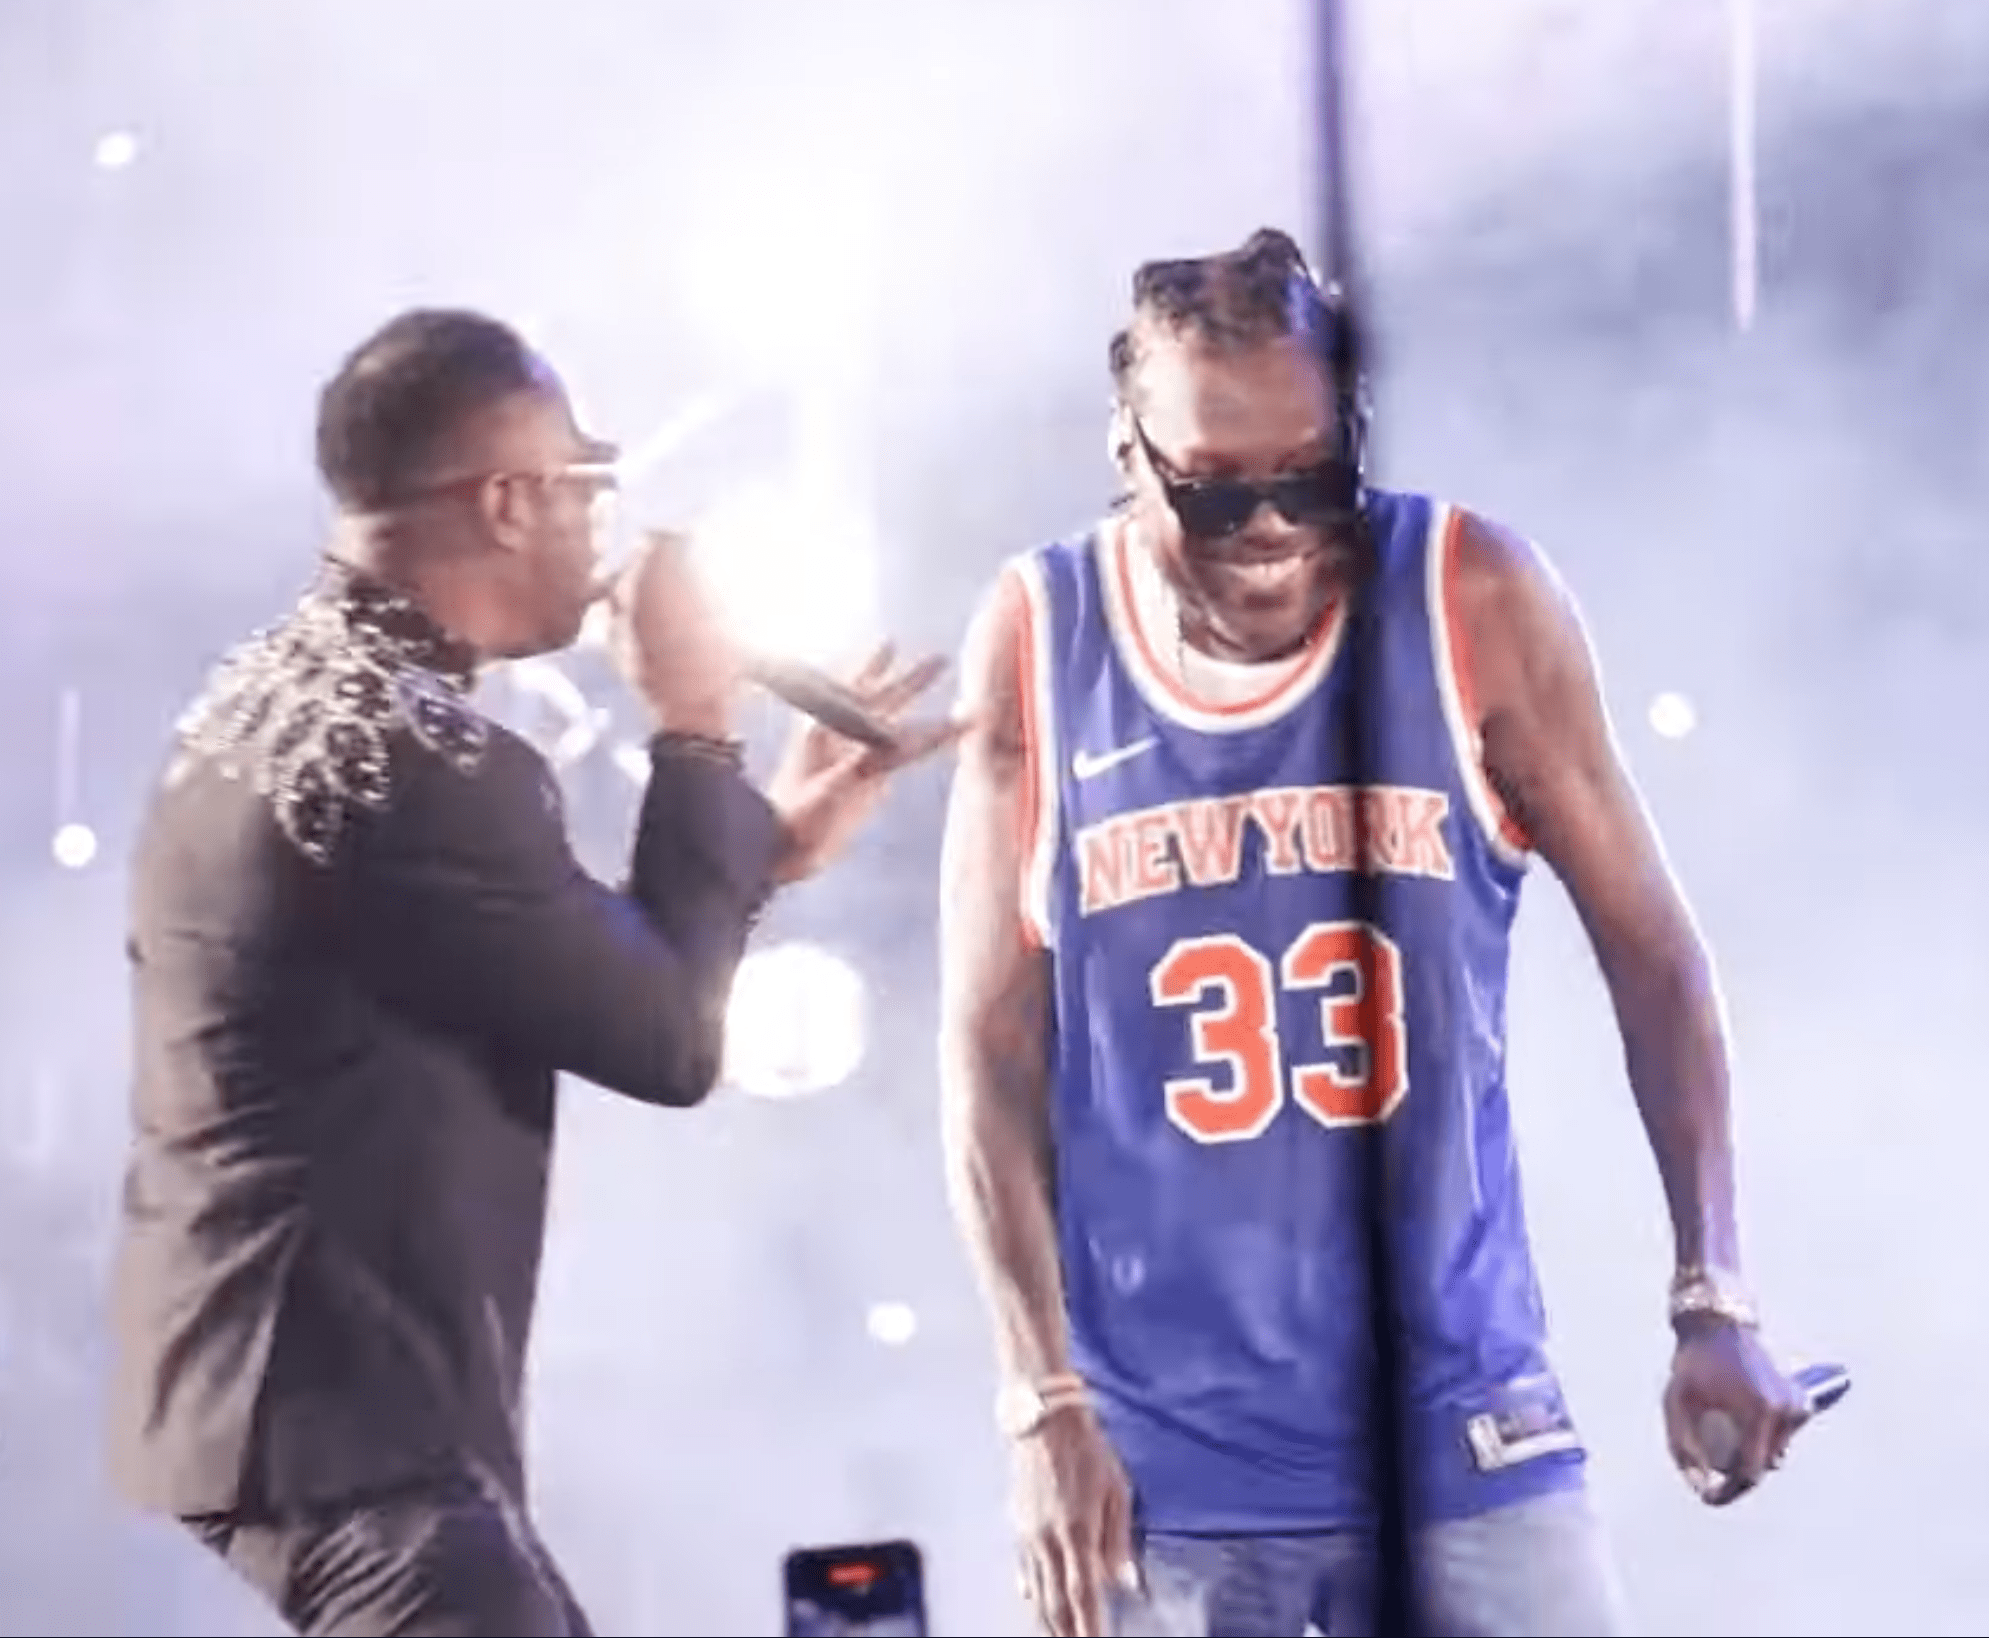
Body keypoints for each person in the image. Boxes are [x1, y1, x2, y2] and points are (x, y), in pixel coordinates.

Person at [937, 229, 1818, 1638]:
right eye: (1216, 491)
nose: (1271, 526)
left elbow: (1656, 957)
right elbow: (988, 1058)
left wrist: (1713, 1291)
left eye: (1309, 477)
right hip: (1165, 1465)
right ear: (1127, 451)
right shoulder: (1041, 632)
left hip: (1464, 1426)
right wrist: (1040, 1403)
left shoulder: (1470, 593)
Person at [108, 308, 955, 1637]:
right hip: (357, 1433)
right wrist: (694, 720)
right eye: (585, 483)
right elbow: (667, 1038)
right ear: (508, 501)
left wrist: (763, 851)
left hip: (267, 1399)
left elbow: (555, 960)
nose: (600, 525)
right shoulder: (426, 760)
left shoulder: (263, 693)